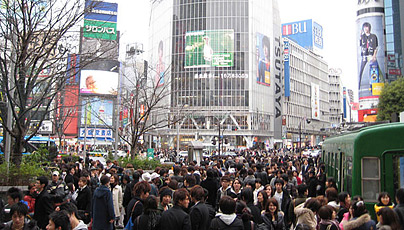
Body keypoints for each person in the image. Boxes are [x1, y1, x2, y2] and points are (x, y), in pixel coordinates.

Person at [358, 22, 379, 89]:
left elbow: (376, 47)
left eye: (366, 27)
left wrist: (374, 56)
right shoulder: (362, 36)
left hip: (371, 55)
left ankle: (374, 85)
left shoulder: (373, 36)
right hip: (364, 56)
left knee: (374, 70)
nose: (365, 28)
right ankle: (359, 86)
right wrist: (360, 36)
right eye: (364, 27)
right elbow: (361, 45)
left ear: (369, 27)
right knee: (361, 70)